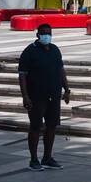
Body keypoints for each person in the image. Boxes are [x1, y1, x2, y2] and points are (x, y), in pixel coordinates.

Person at [17, 23, 70, 171]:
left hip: (53, 95)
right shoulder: (29, 52)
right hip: (36, 96)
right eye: (43, 33)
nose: (47, 36)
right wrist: (25, 96)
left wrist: (67, 89)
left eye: (49, 33)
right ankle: (34, 159)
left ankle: (47, 157)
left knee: (51, 126)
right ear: (38, 35)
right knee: (36, 127)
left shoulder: (55, 50)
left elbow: (61, 70)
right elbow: (22, 76)